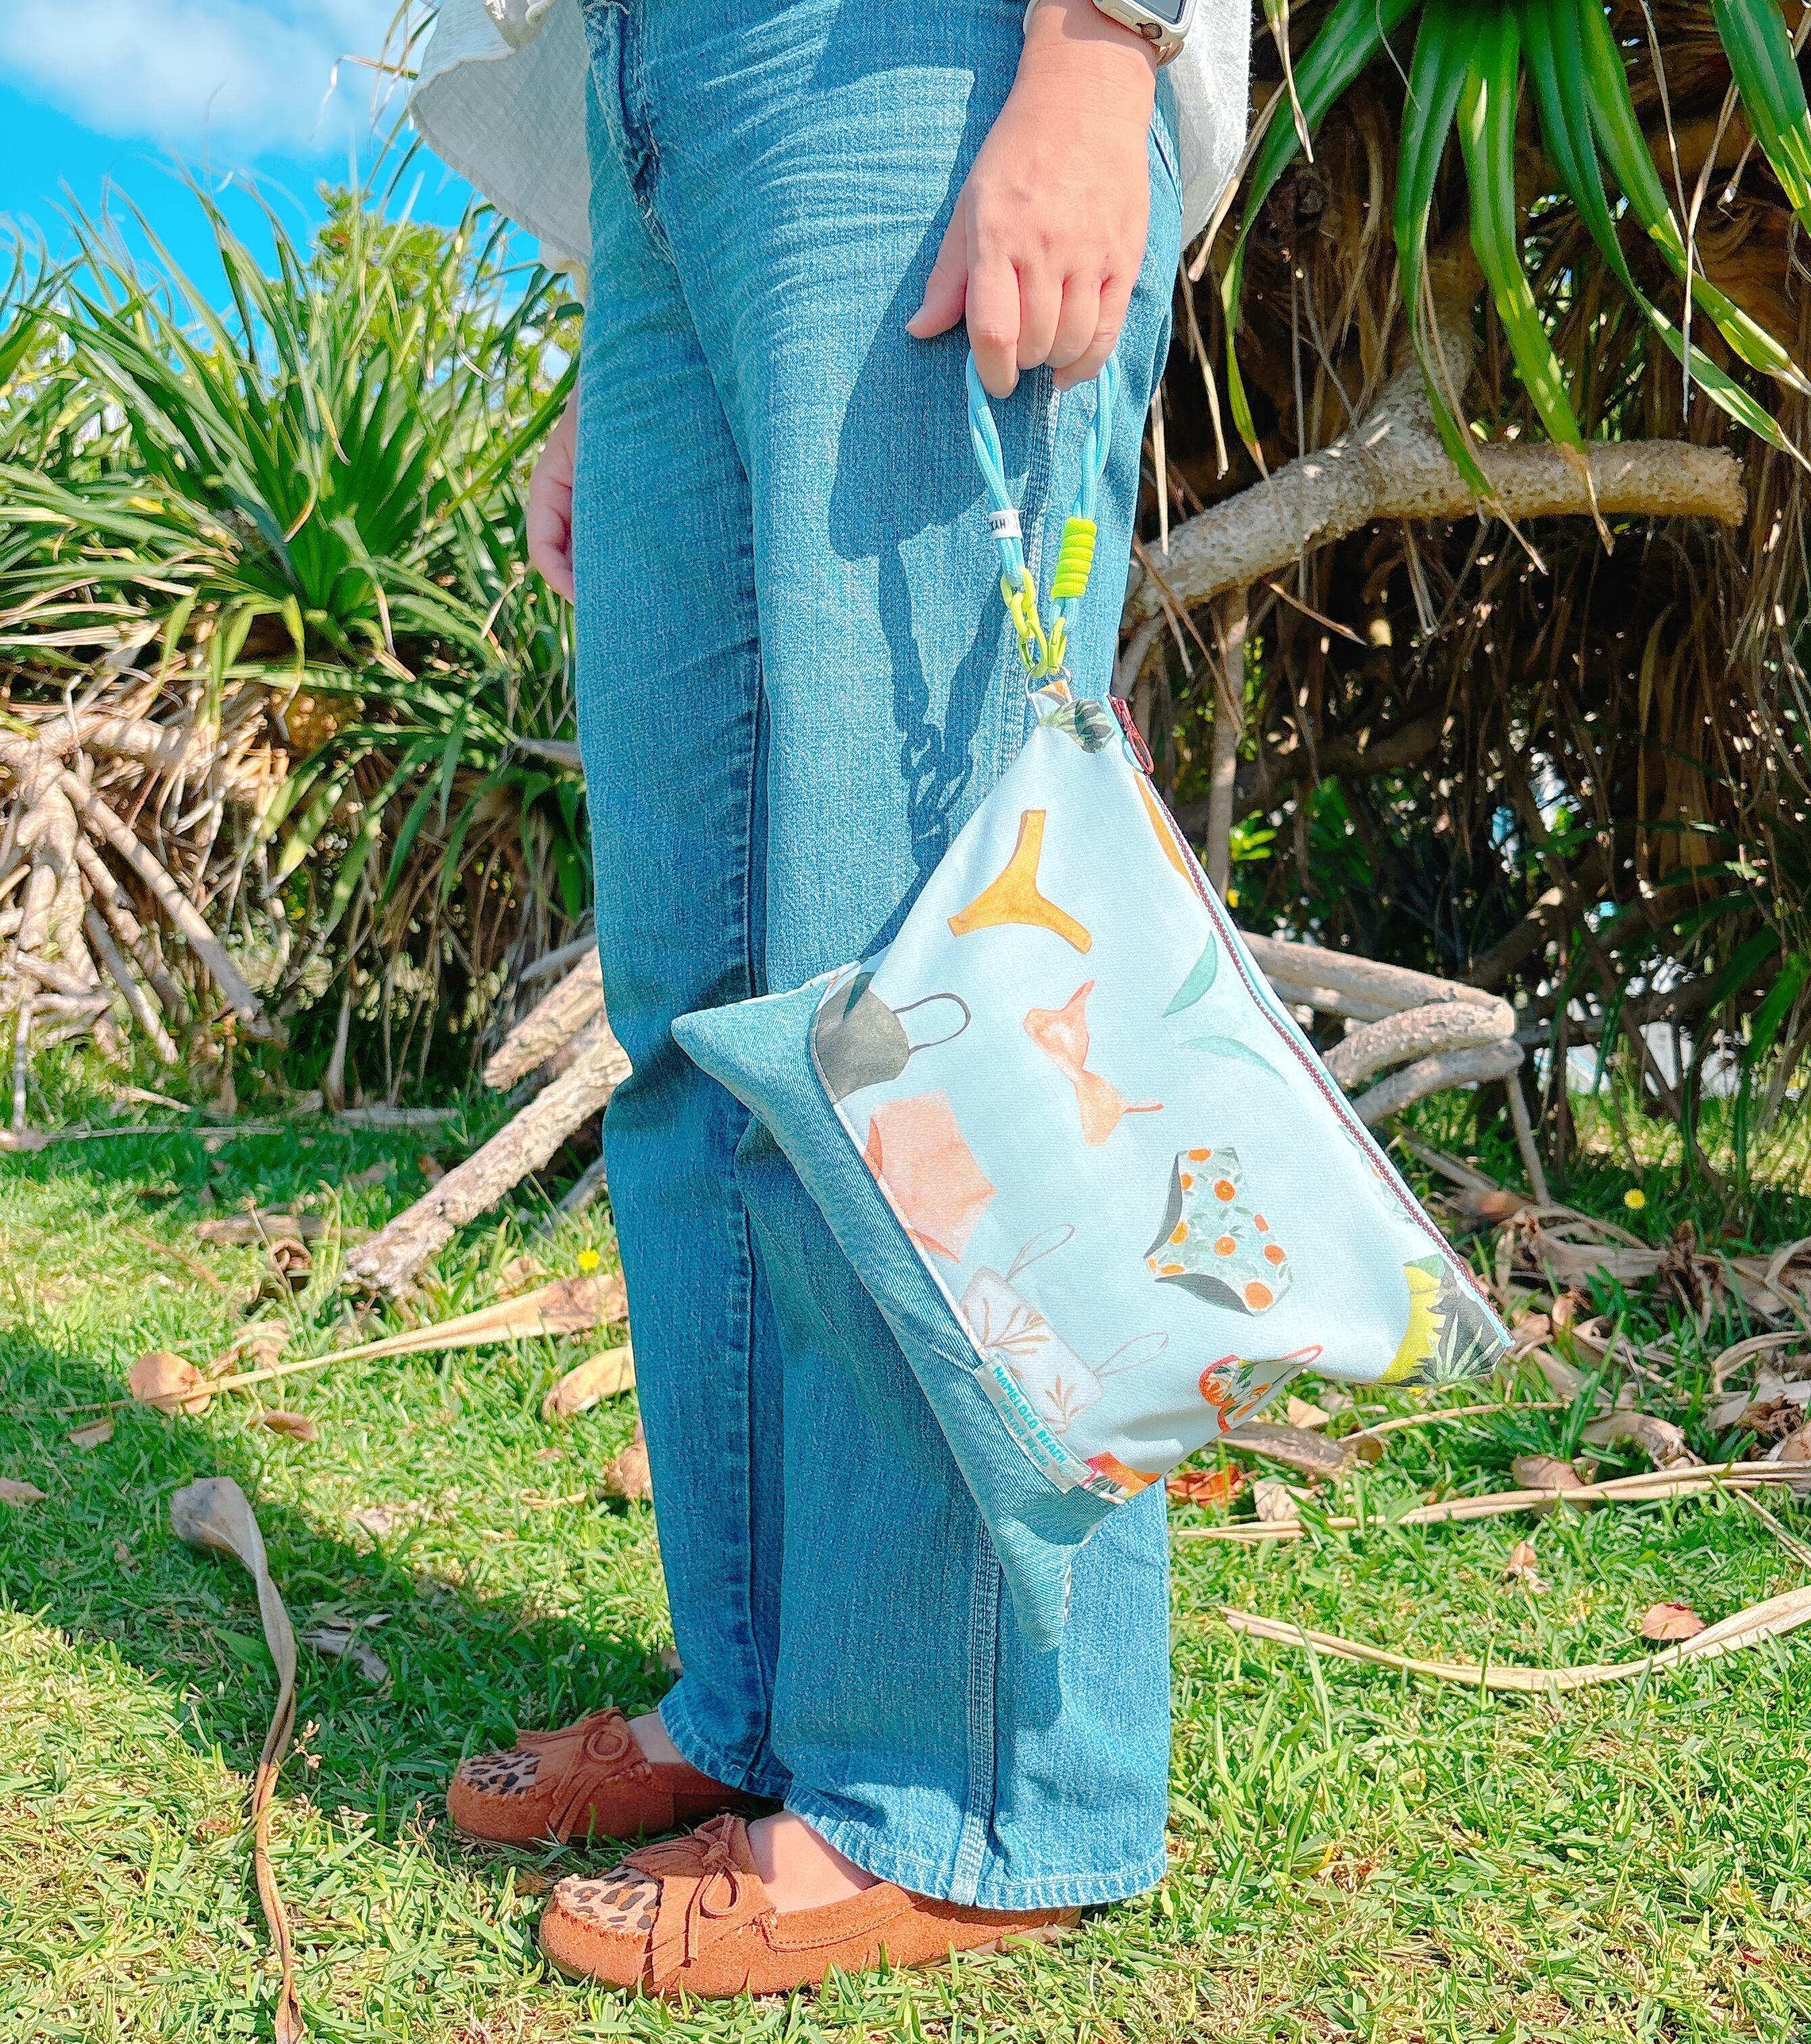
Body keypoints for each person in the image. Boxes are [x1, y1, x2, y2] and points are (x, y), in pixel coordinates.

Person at [410, 0, 1247, 1998]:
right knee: (696, 1008)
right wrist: (635, 304)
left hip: (921, 58)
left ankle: (963, 1791)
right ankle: (760, 1704)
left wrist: (1098, 43)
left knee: (925, 987)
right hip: (662, 115)